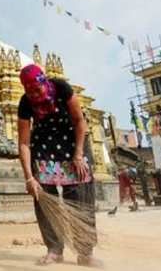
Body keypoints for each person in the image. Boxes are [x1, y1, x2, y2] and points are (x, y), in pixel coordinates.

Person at [17, 63, 97, 266]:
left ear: (44, 82)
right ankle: (54, 249)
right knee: (43, 197)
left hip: (72, 144)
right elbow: (24, 142)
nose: (35, 95)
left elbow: (79, 121)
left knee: (80, 197)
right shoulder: (25, 103)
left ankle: (85, 250)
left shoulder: (61, 87)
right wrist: (29, 177)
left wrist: (78, 155)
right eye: (30, 91)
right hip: (44, 149)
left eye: (38, 89)